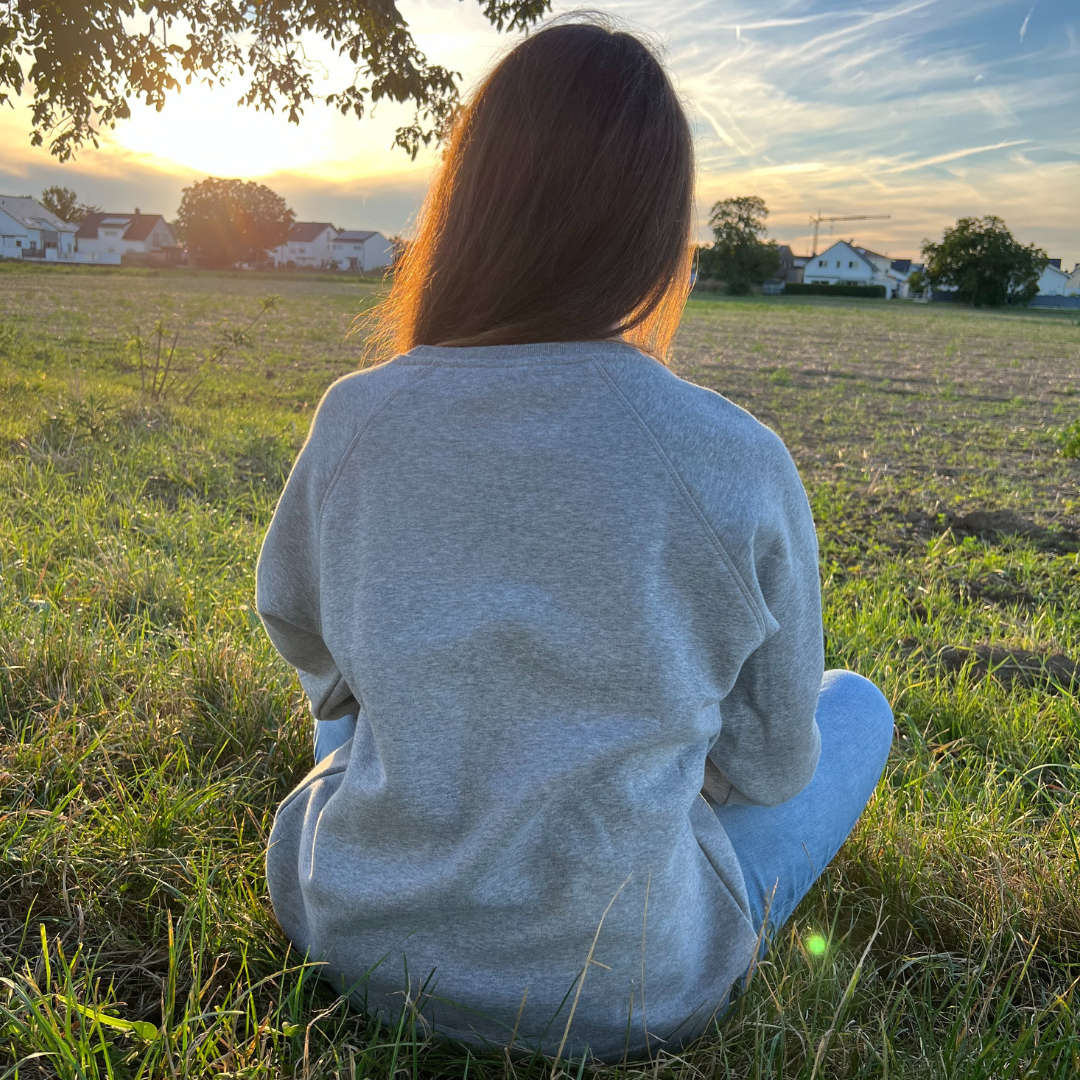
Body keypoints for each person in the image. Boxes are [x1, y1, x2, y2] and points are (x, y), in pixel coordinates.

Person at [256, 17, 893, 1063]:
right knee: (855, 707)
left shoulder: (356, 414)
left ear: (470, 202)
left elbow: (301, 630)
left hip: (356, 942)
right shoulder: (734, 457)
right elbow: (774, 764)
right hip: (624, 986)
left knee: (359, 727)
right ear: (655, 231)